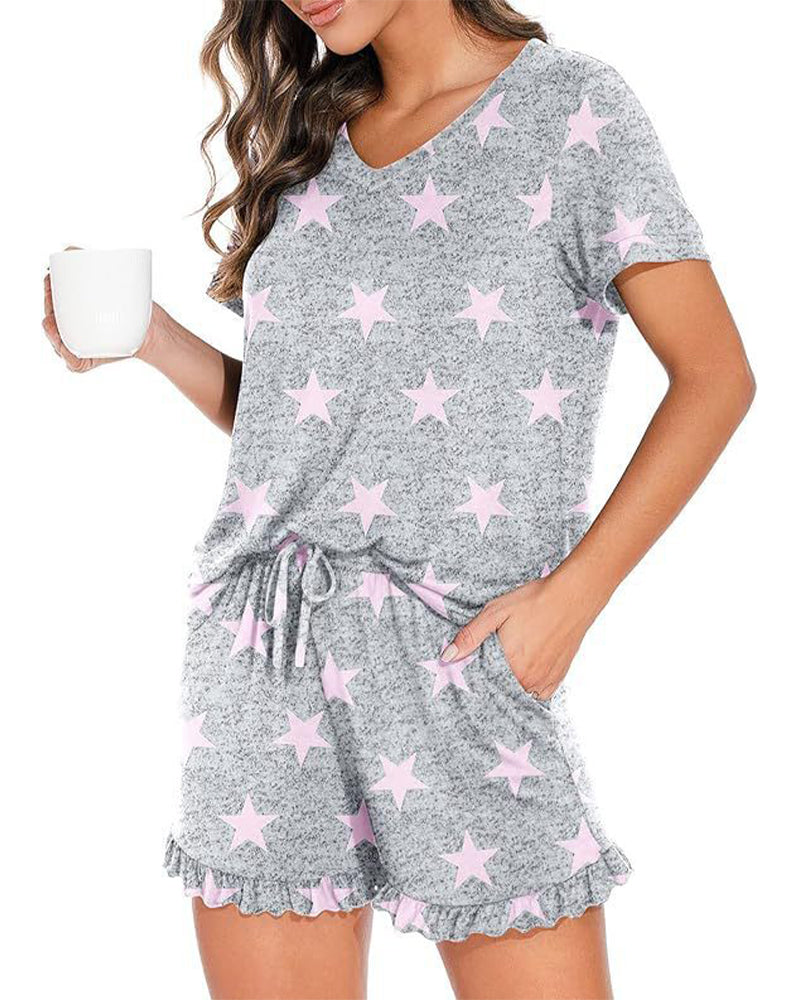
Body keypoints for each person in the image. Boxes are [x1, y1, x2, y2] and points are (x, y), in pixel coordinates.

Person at [41, 2, 755, 997]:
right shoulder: (310, 133)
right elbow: (298, 422)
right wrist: (154, 339)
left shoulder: (570, 110)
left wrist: (572, 599)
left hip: (460, 654)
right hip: (266, 655)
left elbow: (715, 376)